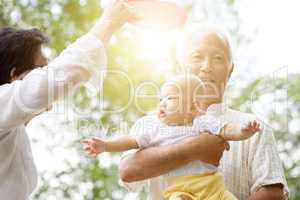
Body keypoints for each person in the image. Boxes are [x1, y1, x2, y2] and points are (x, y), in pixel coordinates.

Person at [119, 26, 289, 200]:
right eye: (197, 57)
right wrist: (194, 149)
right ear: (181, 67)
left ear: (230, 70)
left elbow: (272, 192)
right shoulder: (151, 123)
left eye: (217, 58)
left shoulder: (254, 128)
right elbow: (128, 171)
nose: (206, 67)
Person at [0, 1, 137, 199]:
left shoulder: (14, 132)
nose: (47, 74)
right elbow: (53, 80)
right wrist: (107, 23)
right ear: (15, 76)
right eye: (41, 69)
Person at [81, 74, 261, 200]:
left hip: (215, 189)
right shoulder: (155, 129)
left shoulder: (201, 123)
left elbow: (227, 130)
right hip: (181, 189)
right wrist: (105, 145)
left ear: (192, 107)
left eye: (170, 98)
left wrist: (244, 131)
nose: (162, 103)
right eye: (161, 99)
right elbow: (130, 141)